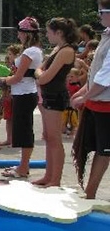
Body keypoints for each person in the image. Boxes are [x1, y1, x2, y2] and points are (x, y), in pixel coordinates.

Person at [0, 17, 44, 179]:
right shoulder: (34, 50)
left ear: (27, 33)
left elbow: (18, 77)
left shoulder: (30, 52)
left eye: (20, 32)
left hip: (25, 93)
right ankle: (23, 164)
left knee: (25, 131)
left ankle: (23, 167)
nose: (18, 35)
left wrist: (1, 81)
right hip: (24, 92)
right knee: (22, 130)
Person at [71, 0, 110, 199]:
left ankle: (91, 193)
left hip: (106, 105)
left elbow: (105, 77)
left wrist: (84, 97)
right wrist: (82, 91)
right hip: (98, 103)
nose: (99, 16)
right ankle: (89, 192)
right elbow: (96, 72)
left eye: (101, 12)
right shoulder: (107, 35)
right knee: (96, 148)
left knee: (105, 150)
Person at [32, 17, 79, 187]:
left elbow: (43, 76)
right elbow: (40, 70)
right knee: (48, 137)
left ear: (59, 32)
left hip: (55, 96)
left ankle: (55, 179)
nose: (46, 35)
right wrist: (39, 74)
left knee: (54, 138)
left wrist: (38, 74)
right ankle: (48, 175)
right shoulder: (57, 48)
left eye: (49, 32)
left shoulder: (66, 51)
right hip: (48, 95)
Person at [63, 68, 83, 136]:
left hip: (73, 107)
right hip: (66, 105)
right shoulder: (67, 85)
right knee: (64, 118)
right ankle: (64, 129)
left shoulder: (77, 86)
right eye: (68, 76)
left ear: (77, 78)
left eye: (72, 76)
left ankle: (73, 132)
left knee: (73, 119)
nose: (69, 78)